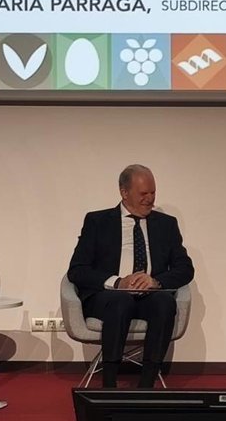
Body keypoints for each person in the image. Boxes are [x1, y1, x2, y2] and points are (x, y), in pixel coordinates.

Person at [67, 164, 195, 388]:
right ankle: (109, 384)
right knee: (121, 301)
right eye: (143, 193)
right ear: (124, 192)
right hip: (108, 297)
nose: (150, 199)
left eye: (153, 192)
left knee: (164, 303)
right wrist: (117, 282)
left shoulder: (166, 225)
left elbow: (185, 268)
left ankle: (147, 385)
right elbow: (77, 269)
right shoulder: (98, 222)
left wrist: (156, 281)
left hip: (149, 296)